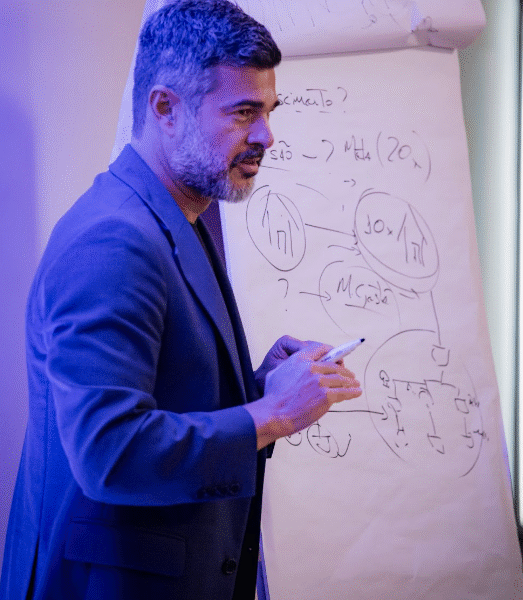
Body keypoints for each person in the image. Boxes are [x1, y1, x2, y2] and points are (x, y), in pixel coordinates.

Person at [0, 1, 362, 599]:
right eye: (243, 112)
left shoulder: (174, 216)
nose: (266, 136)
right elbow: (111, 454)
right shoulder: (114, 241)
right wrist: (274, 413)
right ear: (165, 108)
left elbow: (165, 394)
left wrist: (260, 386)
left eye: (268, 112)